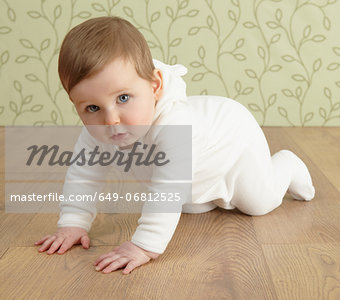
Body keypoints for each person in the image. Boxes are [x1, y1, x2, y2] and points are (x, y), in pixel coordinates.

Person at [34, 16, 315, 275]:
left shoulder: (175, 126)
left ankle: (288, 165)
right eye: (92, 107)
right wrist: (73, 223)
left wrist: (144, 245)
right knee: (190, 200)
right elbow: (84, 175)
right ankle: (207, 194)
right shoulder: (100, 131)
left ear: (155, 86)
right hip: (198, 165)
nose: (111, 120)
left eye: (123, 98)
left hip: (234, 144)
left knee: (257, 202)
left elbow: (168, 189)